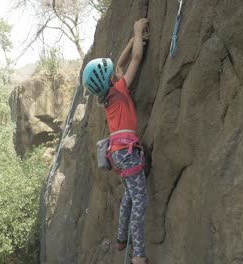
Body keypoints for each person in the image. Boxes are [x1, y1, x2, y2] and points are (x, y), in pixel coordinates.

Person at [82, 18, 149, 264]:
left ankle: (121, 238)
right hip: (128, 152)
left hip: (117, 154)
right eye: (114, 74)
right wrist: (137, 31)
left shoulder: (106, 98)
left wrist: (133, 40)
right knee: (141, 201)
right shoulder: (120, 89)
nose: (117, 72)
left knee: (130, 197)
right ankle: (139, 255)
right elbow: (135, 61)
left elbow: (119, 63)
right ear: (112, 80)